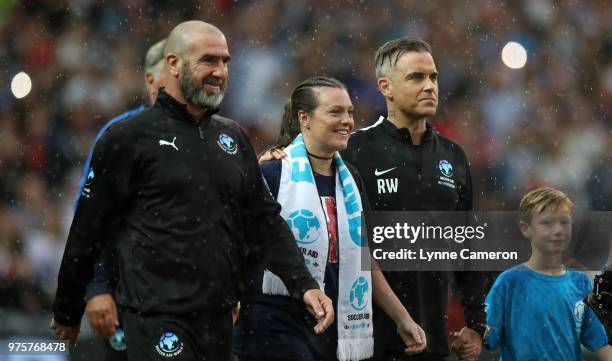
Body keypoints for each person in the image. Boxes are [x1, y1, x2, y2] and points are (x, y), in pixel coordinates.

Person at [51, 21, 334, 361]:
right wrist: (69, 308)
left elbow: (265, 222)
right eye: (209, 61)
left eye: (226, 62)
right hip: (155, 317)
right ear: (173, 64)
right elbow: (89, 228)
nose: (220, 71)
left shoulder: (233, 137)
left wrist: (304, 284)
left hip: (220, 320)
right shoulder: (127, 138)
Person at [234, 77, 426, 361]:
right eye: (335, 112)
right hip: (273, 326)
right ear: (305, 118)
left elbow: (362, 255)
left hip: (331, 328)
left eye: (349, 112)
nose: (347, 120)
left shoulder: (351, 180)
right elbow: (236, 244)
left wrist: (402, 318)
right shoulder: (273, 173)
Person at [341, 38, 489, 361]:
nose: (429, 86)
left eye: (433, 77)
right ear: (386, 87)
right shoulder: (354, 150)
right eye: (416, 77)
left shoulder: (454, 156)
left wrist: (477, 324)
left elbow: (467, 248)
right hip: (367, 341)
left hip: (434, 342)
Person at [76, 38, 167, 358]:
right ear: (151, 81)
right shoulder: (119, 136)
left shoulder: (213, 136)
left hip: (192, 300)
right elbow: (89, 219)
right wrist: (98, 287)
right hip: (128, 297)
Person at [485, 187, 612, 360]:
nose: (558, 230)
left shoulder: (581, 283)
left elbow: (599, 342)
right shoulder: (510, 282)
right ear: (526, 228)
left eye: (564, 222)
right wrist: (470, 338)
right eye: (547, 223)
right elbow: (486, 336)